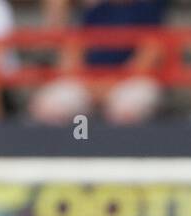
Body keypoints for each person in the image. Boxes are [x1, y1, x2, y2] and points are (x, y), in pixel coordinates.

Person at [31, 0, 167, 125]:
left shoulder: (148, 10)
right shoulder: (96, 11)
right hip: (89, 81)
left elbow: (149, 55)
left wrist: (111, 83)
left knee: (126, 109)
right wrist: (88, 82)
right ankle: (66, 149)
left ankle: (122, 150)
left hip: (127, 82)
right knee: (48, 107)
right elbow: (74, 50)